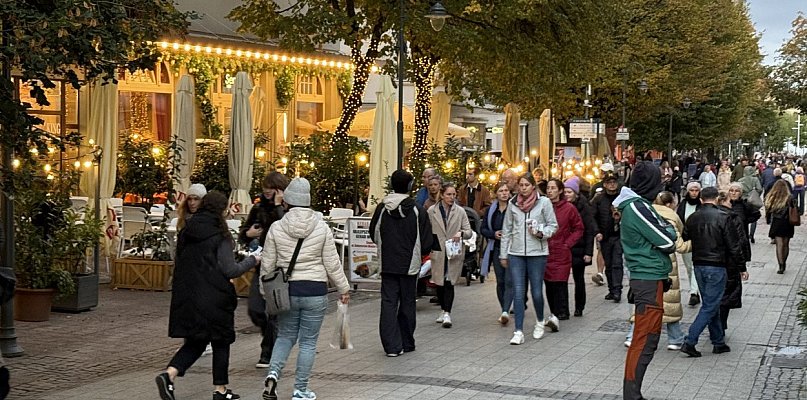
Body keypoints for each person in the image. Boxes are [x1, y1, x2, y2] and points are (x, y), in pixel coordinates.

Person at [156, 191, 260, 400]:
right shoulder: (220, 234)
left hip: (188, 295)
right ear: (222, 210)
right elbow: (230, 270)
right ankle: (220, 390)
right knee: (221, 341)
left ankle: (169, 374)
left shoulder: (187, 230)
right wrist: (252, 260)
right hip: (214, 296)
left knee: (196, 341)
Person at [260, 178, 350, 400]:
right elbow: (332, 262)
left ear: (288, 202)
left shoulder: (276, 227)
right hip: (315, 290)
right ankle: (300, 390)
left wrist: (265, 292)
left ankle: (272, 375)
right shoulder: (321, 227)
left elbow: (268, 264)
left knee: (285, 336)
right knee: (308, 342)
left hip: (286, 292)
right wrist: (343, 287)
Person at [613, 161, 677, 400]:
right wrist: (666, 231)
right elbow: (668, 239)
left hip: (649, 277)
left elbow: (663, 235)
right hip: (648, 279)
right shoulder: (637, 207)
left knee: (647, 337)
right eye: (659, 178)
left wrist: (663, 232)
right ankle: (632, 394)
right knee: (645, 338)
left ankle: (633, 393)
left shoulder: (637, 205)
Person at [369, 170, 433, 357]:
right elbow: (427, 241)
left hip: (387, 264)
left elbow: (374, 233)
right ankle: (406, 342)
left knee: (388, 303)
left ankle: (391, 346)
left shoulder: (382, 209)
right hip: (409, 265)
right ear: (410, 186)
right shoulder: (417, 210)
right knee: (407, 303)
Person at [680, 187, 743, 358]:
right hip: (717, 264)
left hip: (699, 264)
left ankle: (718, 341)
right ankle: (690, 340)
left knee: (711, 303)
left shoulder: (693, 217)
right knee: (710, 305)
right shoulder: (724, 217)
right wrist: (741, 267)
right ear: (716, 199)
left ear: (701, 199)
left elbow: (685, 236)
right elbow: (734, 245)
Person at [624, 191, 691, 351]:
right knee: (670, 303)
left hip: (643, 265)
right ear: (669, 204)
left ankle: (632, 335)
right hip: (666, 266)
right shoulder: (670, 218)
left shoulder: (643, 213)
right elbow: (679, 246)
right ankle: (675, 338)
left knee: (643, 301)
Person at [500, 174, 558, 345]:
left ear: (533, 186)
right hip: (516, 252)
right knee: (518, 291)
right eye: (521, 185)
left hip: (537, 253)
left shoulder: (544, 202)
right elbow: (507, 230)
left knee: (537, 292)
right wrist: (504, 254)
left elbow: (553, 225)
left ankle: (540, 321)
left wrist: (541, 232)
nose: (523, 188)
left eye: (527, 185)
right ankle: (518, 330)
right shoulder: (513, 204)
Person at [238, 172, 288, 369]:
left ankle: (267, 352)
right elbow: (244, 234)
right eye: (265, 187)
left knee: (273, 313)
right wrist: (247, 234)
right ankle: (269, 339)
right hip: (260, 264)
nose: (267, 191)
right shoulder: (258, 208)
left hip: (279, 266)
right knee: (256, 310)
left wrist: (277, 205)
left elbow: (287, 229)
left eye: (271, 188)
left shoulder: (286, 208)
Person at [427, 182, 473, 328]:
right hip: (438, 250)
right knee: (439, 282)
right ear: (442, 194)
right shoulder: (432, 211)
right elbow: (427, 231)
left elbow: (469, 231)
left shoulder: (460, 211)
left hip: (454, 251)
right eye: (448, 194)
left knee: (449, 281)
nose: (452, 197)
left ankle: (447, 312)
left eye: (454, 194)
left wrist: (461, 233)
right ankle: (442, 309)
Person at [544, 179, 583, 324]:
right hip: (546, 249)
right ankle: (553, 312)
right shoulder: (543, 206)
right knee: (548, 282)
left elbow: (578, 228)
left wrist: (568, 243)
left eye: (553, 188)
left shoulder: (569, 208)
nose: (550, 191)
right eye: (548, 188)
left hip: (561, 250)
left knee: (560, 281)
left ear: (560, 191)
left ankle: (562, 311)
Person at [563, 177, 597, 317]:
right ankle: (563, 309)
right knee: (562, 280)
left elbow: (589, 231)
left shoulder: (584, 207)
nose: (566, 194)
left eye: (569, 192)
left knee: (579, 279)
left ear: (576, 193)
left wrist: (588, 252)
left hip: (580, 248)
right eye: (564, 192)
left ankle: (579, 306)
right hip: (565, 248)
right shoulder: (561, 206)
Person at [481, 182, 514, 325]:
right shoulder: (491, 210)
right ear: (496, 194)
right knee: (500, 280)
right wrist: (494, 234)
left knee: (509, 281)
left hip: (512, 249)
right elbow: (483, 229)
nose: (504, 193)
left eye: (506, 190)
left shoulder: (514, 208)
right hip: (496, 248)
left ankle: (506, 309)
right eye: (501, 191)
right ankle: (504, 309)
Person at [721, 187, 753, 332]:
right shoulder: (731, 217)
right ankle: (719, 327)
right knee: (725, 295)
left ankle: (718, 326)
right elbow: (737, 244)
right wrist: (742, 266)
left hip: (710, 262)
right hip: (727, 261)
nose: (733, 195)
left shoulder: (742, 207)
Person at [591, 171, 623, 302]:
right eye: (609, 183)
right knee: (608, 263)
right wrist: (596, 232)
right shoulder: (599, 199)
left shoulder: (622, 197)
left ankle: (617, 290)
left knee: (617, 263)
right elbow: (592, 217)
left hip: (618, 235)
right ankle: (611, 289)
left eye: (614, 182)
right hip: (604, 236)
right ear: (604, 184)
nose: (612, 185)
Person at [676, 181, 702, 306]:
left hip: (700, 240)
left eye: (696, 190)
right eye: (692, 190)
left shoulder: (702, 204)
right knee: (689, 267)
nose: (694, 193)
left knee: (695, 265)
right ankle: (695, 289)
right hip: (686, 240)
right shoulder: (683, 204)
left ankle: (694, 292)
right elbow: (678, 221)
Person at [765, 180, 797, 274]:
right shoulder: (790, 197)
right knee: (786, 243)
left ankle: (781, 264)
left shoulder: (773, 197)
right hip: (787, 222)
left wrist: (768, 220)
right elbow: (795, 209)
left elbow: (768, 210)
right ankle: (784, 262)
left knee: (779, 244)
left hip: (777, 222)